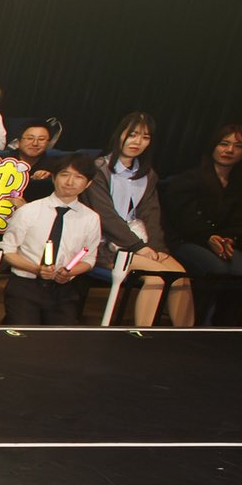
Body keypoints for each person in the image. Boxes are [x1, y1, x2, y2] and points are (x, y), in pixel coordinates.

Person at [83, 112, 195, 328]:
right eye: (132, 134)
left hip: (139, 242)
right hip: (105, 244)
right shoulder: (98, 169)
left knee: (180, 276)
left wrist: (156, 248)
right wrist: (139, 247)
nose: (137, 142)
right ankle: (141, 334)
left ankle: (186, 334)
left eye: (145, 137)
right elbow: (105, 217)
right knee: (156, 276)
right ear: (119, 134)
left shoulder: (148, 174)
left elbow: (151, 214)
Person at [0, 153, 104, 325]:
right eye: (65, 175)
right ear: (54, 177)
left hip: (64, 289)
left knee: (61, 337)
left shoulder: (91, 218)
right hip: (26, 284)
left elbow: (89, 258)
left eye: (78, 177)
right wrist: (36, 269)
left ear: (88, 184)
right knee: (24, 333)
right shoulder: (29, 211)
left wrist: (71, 272)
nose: (70, 182)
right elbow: (7, 251)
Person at [163, 123, 242, 326]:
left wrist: (230, 239)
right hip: (187, 240)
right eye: (224, 144)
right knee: (216, 269)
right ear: (213, 145)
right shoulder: (188, 179)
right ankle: (197, 325)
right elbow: (183, 220)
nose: (229, 150)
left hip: (225, 243)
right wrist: (208, 237)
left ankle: (226, 330)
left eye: (238, 146)